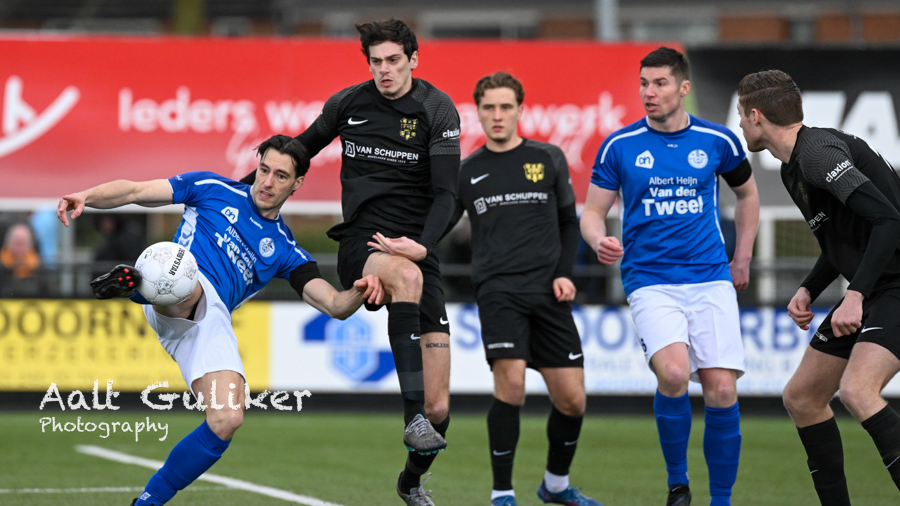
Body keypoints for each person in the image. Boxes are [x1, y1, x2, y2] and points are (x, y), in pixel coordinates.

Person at [57, 134, 383, 506]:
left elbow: (335, 305)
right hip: (179, 285)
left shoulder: (287, 250)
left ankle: (146, 502)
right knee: (182, 272)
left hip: (208, 323)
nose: (267, 182)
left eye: (280, 176)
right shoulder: (211, 188)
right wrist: (87, 196)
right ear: (256, 166)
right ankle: (140, 284)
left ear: (297, 184)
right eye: (263, 170)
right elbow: (135, 191)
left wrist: (363, 288)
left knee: (227, 417)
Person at [242, 17, 459, 506]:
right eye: (376, 62)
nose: (384, 70)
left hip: (416, 251)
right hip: (362, 242)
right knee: (402, 276)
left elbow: (448, 193)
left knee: (441, 404)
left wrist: (422, 246)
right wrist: (241, 190)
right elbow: (295, 152)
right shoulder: (347, 104)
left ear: (413, 59)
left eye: (393, 61)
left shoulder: (436, 109)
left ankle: (410, 480)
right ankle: (412, 420)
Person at [580, 47, 759, 506]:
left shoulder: (720, 141)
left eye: (659, 83)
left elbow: (749, 197)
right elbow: (593, 213)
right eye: (644, 83)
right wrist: (599, 238)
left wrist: (741, 257)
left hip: (710, 277)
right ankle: (678, 485)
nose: (649, 92)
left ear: (683, 88)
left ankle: (721, 500)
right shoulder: (620, 145)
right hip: (650, 279)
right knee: (675, 374)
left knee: (721, 388)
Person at [737, 69, 900, 505]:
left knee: (857, 391)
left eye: (740, 114)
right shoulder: (796, 166)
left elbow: (889, 220)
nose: (738, 125)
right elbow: (844, 237)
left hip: (894, 287)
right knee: (803, 397)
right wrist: (809, 288)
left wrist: (856, 293)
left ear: (756, 116)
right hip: (877, 286)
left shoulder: (818, 155)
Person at [456, 71, 603, 506]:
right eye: (489, 108)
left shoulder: (549, 157)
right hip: (498, 290)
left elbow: (567, 224)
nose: (497, 115)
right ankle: (502, 492)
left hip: (549, 291)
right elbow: (439, 226)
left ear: (520, 110)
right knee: (512, 386)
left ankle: (555, 485)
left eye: (505, 107)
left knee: (573, 400)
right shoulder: (467, 171)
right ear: (478, 113)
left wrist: (564, 272)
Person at [0, 222, 54, 297]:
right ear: (8, 243)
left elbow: (48, 294)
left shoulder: (39, 267)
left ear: (30, 245)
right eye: (15, 243)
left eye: (22, 244)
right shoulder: (2, 264)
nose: (18, 248)